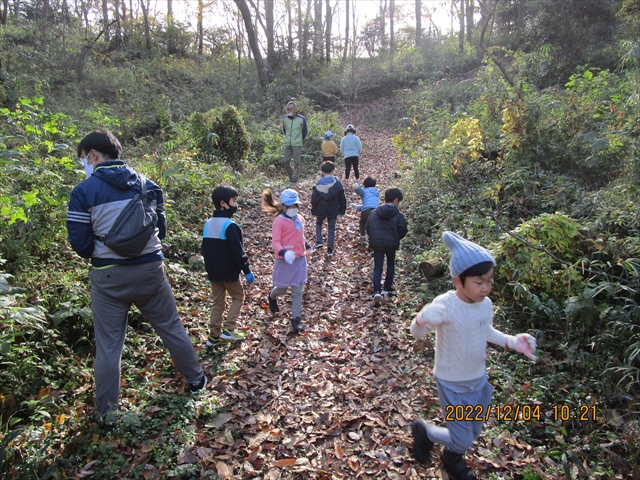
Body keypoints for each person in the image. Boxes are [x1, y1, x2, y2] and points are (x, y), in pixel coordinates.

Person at [66, 130, 207, 425]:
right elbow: (161, 230)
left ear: (93, 155)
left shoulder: (83, 192)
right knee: (171, 327)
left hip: (107, 278)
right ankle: (196, 383)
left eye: (83, 158)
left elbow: (79, 243)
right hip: (150, 272)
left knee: (108, 346)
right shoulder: (149, 186)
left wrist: (107, 251)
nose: (83, 164)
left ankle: (108, 414)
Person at [410, 231, 538, 480]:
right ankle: (427, 433)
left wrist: (511, 342)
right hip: (452, 383)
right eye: (479, 282)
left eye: (489, 281)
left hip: (478, 380)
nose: (486, 288)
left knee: (474, 429)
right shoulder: (444, 304)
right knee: (462, 436)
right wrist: (422, 319)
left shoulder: (485, 304)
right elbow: (417, 333)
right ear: (458, 281)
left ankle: (451, 455)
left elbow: (484, 329)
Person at [201, 184, 255, 345]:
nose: (235, 204)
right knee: (238, 296)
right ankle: (229, 329)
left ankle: (213, 336)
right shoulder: (230, 226)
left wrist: (209, 270)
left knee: (218, 302)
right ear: (223, 203)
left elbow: (205, 250)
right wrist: (246, 270)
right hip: (229, 273)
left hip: (214, 273)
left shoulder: (208, 224)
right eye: (233, 200)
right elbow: (238, 252)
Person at [261, 188, 311, 333]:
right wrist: (283, 252)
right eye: (290, 206)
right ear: (283, 206)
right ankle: (272, 297)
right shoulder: (279, 221)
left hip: (299, 259)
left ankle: (295, 319)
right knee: (282, 289)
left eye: (295, 205)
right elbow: (275, 242)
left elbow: (300, 235)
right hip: (284, 260)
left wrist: (306, 245)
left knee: (297, 290)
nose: (293, 209)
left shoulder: (300, 219)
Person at [366, 187, 408, 306]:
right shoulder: (398, 215)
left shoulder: (374, 212)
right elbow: (403, 229)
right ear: (395, 200)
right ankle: (387, 287)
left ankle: (377, 291)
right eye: (398, 201)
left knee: (378, 267)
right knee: (390, 264)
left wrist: (373, 238)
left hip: (377, 244)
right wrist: (396, 237)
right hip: (391, 244)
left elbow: (368, 227)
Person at [311, 161, 347, 257]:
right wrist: (342, 210)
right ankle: (330, 249)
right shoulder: (337, 182)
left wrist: (313, 209)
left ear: (322, 171)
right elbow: (342, 198)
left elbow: (314, 198)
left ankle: (319, 241)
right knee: (331, 228)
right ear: (333, 170)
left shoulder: (319, 183)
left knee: (319, 223)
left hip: (321, 209)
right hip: (333, 209)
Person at [282, 101, 308, 183]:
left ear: (294, 109)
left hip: (297, 144)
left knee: (296, 162)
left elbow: (305, 131)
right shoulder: (285, 119)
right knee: (285, 161)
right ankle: (292, 175)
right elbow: (284, 130)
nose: (288, 111)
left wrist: (299, 139)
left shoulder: (301, 119)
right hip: (287, 143)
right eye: (287, 109)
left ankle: (294, 179)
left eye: (290, 109)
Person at [351, 176, 380, 243]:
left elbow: (357, 189)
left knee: (362, 222)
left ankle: (363, 237)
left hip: (366, 211)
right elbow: (373, 204)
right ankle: (373, 238)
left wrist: (355, 185)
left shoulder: (364, 191)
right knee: (374, 224)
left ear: (364, 185)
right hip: (377, 211)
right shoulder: (376, 192)